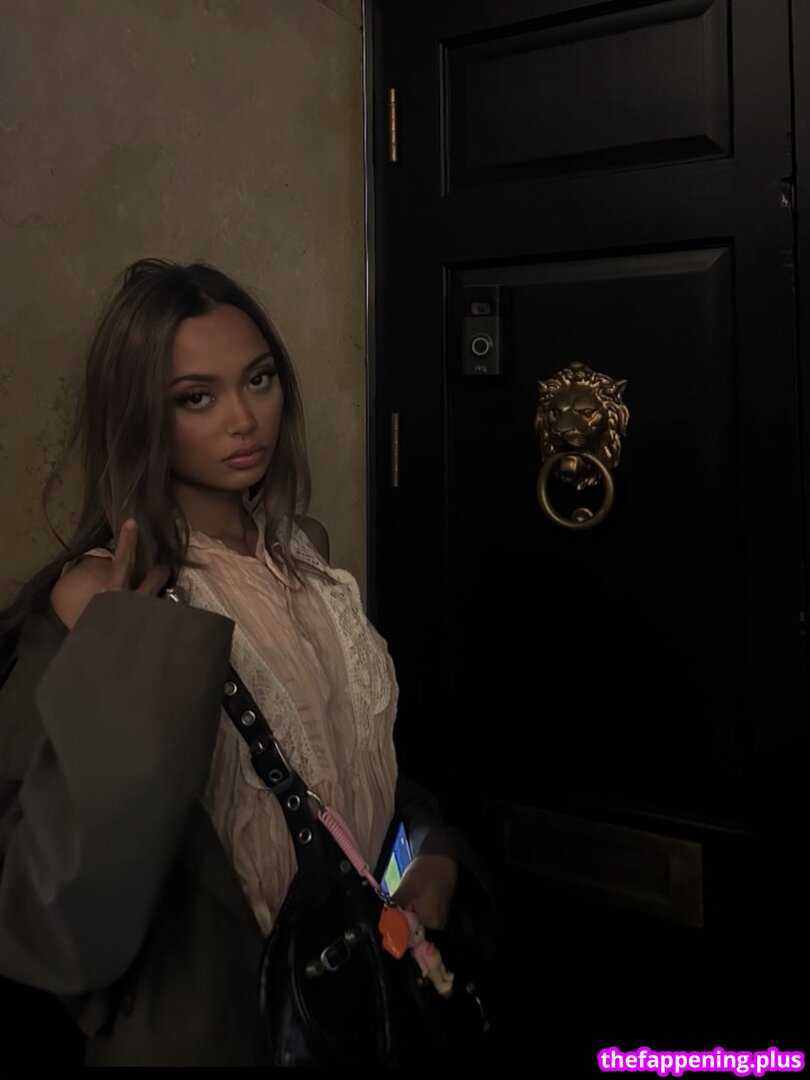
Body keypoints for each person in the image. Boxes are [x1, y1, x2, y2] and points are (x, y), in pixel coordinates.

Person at [0, 259, 487, 1066]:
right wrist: (129, 646)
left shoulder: (305, 554)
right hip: (216, 1028)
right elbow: (53, 909)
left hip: (355, 999)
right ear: (141, 413)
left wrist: (430, 852)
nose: (243, 419)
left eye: (258, 380)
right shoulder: (98, 595)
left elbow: (343, 770)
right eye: (196, 397)